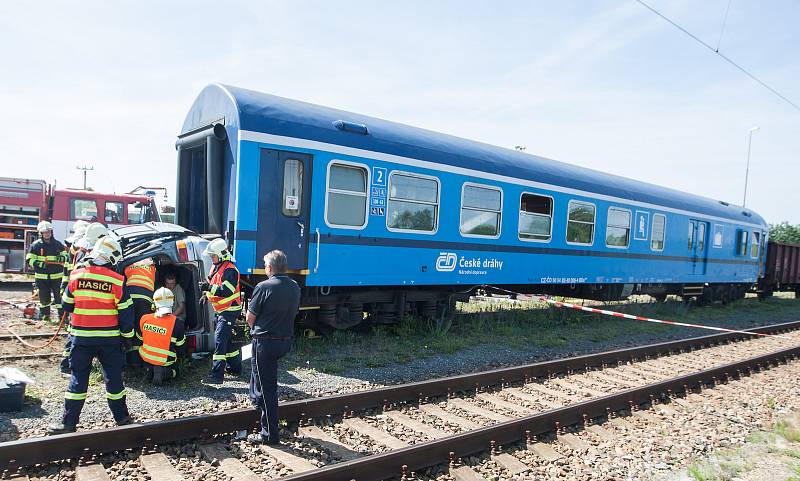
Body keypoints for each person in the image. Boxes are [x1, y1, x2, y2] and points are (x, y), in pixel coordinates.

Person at [48, 236, 135, 434]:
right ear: (111, 258)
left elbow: (66, 305)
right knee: (113, 380)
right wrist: (128, 337)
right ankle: (121, 418)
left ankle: (68, 423)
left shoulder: (77, 275)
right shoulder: (117, 280)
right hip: (109, 340)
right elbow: (126, 313)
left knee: (78, 379)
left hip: (81, 339)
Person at [246, 250, 300, 445]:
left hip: (265, 343)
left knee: (268, 388)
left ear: (269, 268)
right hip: (284, 341)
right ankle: (256, 402)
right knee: (259, 377)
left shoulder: (263, 287)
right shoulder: (294, 287)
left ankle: (269, 434)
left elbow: (250, 318)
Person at [199, 238, 242, 384]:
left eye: (213, 255)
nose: (212, 258)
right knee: (228, 341)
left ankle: (217, 376)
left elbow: (226, 291)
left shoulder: (230, 270)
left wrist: (208, 288)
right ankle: (235, 368)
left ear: (222, 254)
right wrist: (207, 295)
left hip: (229, 310)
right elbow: (213, 284)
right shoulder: (217, 267)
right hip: (222, 310)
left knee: (219, 340)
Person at [58, 220, 89, 375]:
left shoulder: (73, 252)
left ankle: (67, 364)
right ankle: (66, 365)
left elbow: (67, 278)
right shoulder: (79, 253)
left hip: (72, 295)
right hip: (75, 297)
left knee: (73, 331)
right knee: (73, 332)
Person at [138, 287, 186, 385]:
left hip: (146, 358)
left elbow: (140, 339)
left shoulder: (144, 318)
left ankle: (150, 370)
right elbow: (181, 347)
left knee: (149, 362)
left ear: (154, 303)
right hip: (166, 361)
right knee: (176, 371)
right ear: (172, 303)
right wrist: (181, 357)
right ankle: (165, 373)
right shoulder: (177, 322)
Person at [26, 221, 67, 322]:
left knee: (59, 298)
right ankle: (45, 316)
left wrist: (61, 258)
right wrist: (38, 264)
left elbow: (66, 256)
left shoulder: (58, 244)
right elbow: (29, 259)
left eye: (48, 232)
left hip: (57, 277)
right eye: (44, 232)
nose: (47, 234)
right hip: (41, 277)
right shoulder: (35, 246)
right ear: (41, 233)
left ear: (51, 232)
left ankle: (62, 318)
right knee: (44, 298)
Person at [124, 258, 156, 363]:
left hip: (130, 297)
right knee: (141, 327)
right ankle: (137, 360)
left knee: (130, 324)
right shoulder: (152, 267)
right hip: (145, 298)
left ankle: (128, 348)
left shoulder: (128, 265)